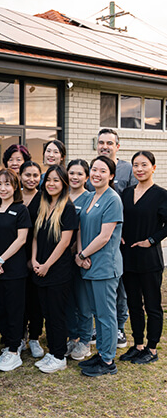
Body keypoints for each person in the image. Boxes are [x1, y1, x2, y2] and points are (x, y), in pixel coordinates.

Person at [87, 129, 137, 348]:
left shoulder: (127, 169)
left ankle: (118, 329)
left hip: (118, 236)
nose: (105, 146)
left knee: (118, 288)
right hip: (98, 237)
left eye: (109, 142)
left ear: (118, 146)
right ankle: (102, 330)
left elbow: (134, 205)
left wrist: (124, 233)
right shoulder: (95, 170)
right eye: (101, 142)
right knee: (103, 292)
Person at [75, 156, 123, 377]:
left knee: (106, 315)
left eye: (102, 171)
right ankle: (102, 351)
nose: (96, 174)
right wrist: (79, 255)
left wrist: (83, 254)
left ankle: (108, 361)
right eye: (94, 169)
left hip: (104, 266)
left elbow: (104, 236)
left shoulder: (113, 199)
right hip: (87, 263)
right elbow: (80, 229)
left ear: (111, 175)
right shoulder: (90, 197)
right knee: (97, 313)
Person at [120, 151, 167, 364]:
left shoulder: (161, 195)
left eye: (144, 165)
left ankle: (152, 348)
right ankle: (137, 344)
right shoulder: (126, 193)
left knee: (152, 305)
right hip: (128, 257)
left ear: (153, 168)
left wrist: (151, 240)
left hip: (149, 259)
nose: (139, 169)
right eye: (136, 165)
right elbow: (119, 218)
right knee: (134, 304)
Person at [0, 169, 31, 372]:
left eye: (7, 184)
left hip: (14, 270)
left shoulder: (21, 210)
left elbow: (22, 239)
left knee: (14, 310)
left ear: (15, 187)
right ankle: (6, 343)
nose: (3, 188)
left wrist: (1, 259)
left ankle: (14, 349)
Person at [31, 165, 78, 374]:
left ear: (64, 184)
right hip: (39, 268)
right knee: (47, 314)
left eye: (56, 180)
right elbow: (34, 237)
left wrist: (47, 265)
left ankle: (59, 356)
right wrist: (34, 260)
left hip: (57, 271)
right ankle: (52, 352)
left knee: (57, 315)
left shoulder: (67, 207)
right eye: (48, 179)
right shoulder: (42, 205)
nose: (51, 184)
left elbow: (65, 242)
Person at [64, 159, 93, 361]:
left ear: (87, 177)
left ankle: (85, 340)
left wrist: (81, 253)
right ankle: (72, 337)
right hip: (62, 258)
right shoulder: (61, 196)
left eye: (79, 174)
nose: (75, 177)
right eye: (72, 173)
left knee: (83, 302)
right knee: (68, 301)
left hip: (81, 257)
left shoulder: (90, 198)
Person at [19, 161, 44, 359]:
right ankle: (19, 337)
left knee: (36, 300)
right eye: (27, 175)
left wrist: (34, 258)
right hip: (14, 255)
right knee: (19, 300)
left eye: (36, 175)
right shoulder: (12, 196)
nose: (31, 179)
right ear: (20, 176)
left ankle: (34, 337)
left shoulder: (44, 198)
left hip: (37, 256)